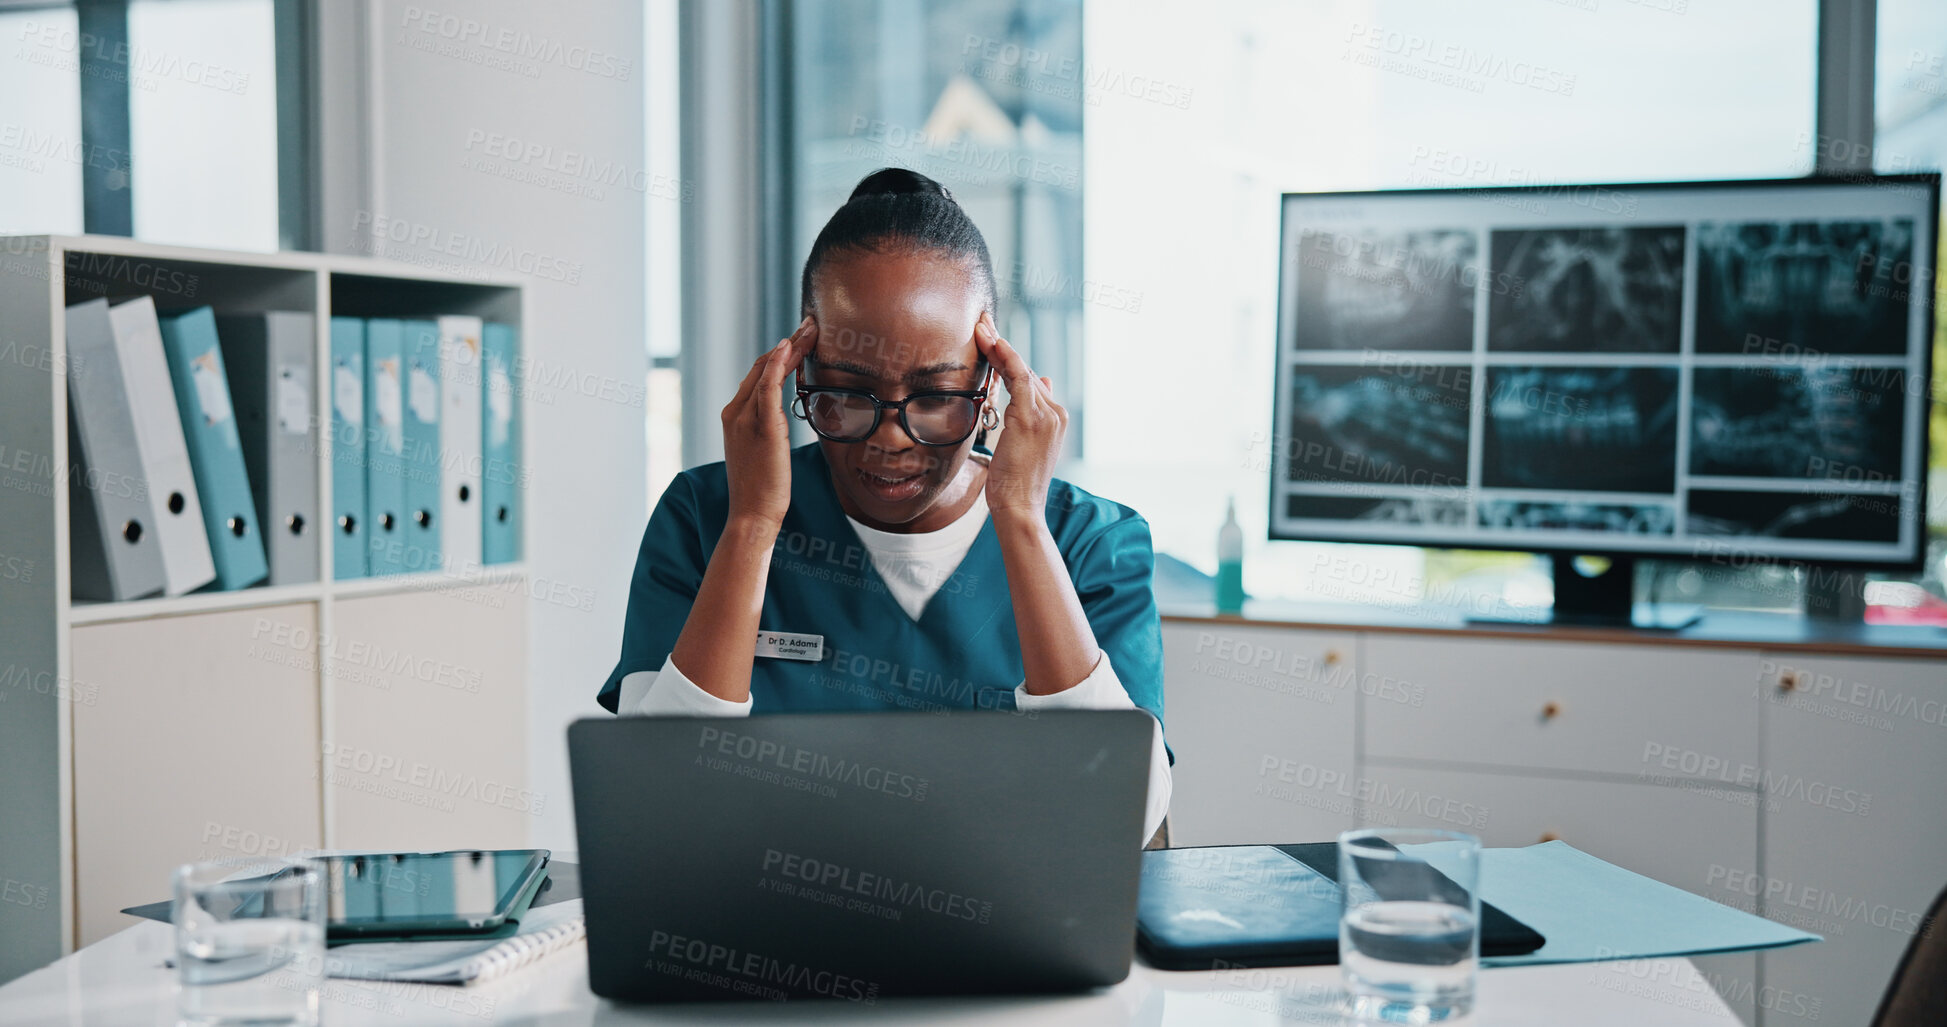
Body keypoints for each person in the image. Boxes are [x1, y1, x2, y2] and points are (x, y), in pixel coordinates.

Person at [598, 167, 1171, 844]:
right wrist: (751, 527)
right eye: (847, 393)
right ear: (798, 374)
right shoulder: (704, 517)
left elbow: (1125, 818)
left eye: (936, 396)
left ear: (992, 385)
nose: (892, 438)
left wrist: (1020, 519)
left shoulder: (1089, 541)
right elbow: (659, 806)